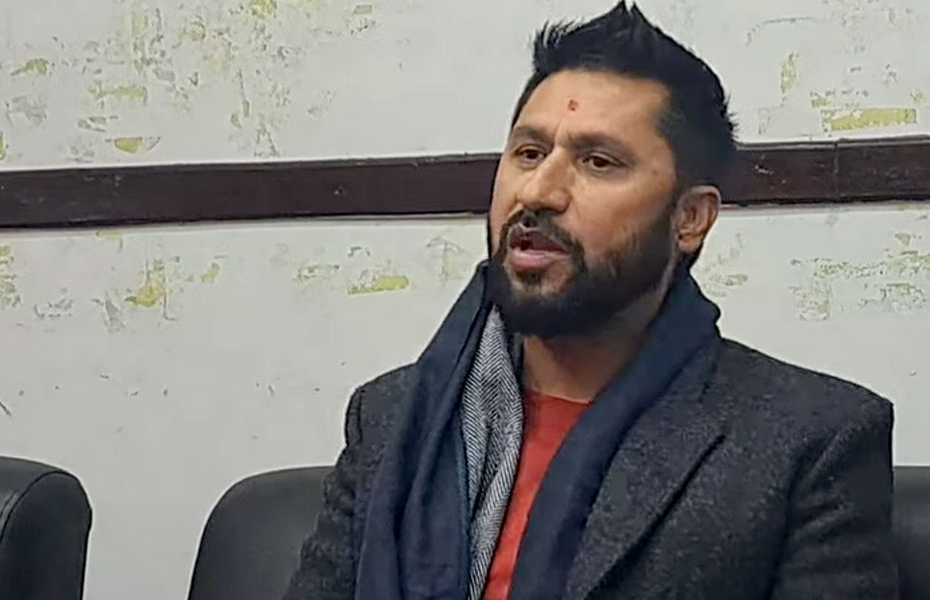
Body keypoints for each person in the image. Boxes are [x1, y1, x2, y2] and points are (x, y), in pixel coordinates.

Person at [284, 3, 897, 599]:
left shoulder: (809, 441)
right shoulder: (392, 418)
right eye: (529, 153)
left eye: (598, 162)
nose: (539, 191)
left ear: (690, 218)